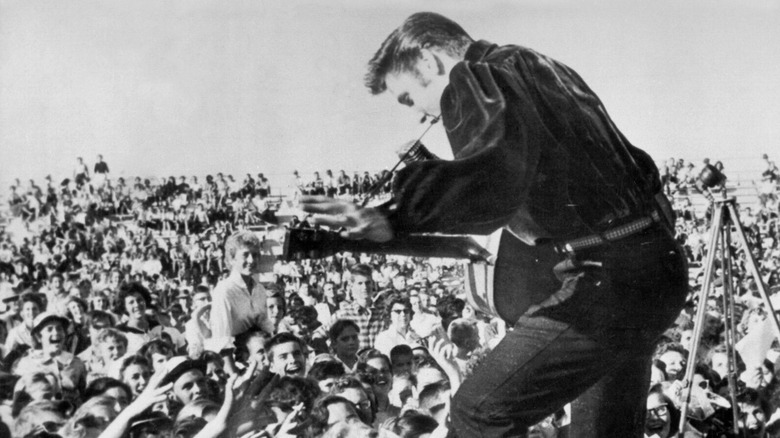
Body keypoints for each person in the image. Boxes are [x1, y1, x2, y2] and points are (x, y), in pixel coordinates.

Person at [301, 12, 688, 437]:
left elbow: (495, 181)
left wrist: (393, 215)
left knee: (478, 413)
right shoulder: (540, 68)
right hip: (652, 269)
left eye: (409, 98)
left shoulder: (476, 75)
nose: (420, 115)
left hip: (609, 281)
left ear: (429, 62)